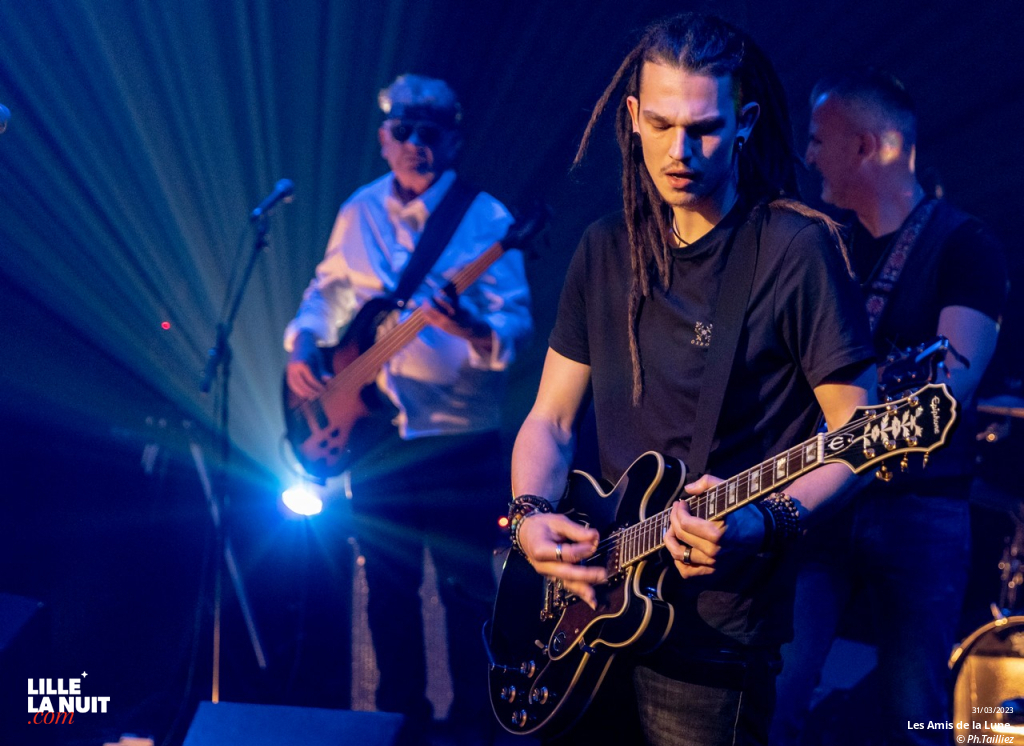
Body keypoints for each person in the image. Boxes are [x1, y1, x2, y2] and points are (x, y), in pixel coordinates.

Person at [508, 14, 876, 746]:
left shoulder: (794, 249)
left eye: (705, 128)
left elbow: (858, 438)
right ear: (633, 118)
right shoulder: (605, 250)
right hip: (591, 607)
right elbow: (549, 420)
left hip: (715, 635)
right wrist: (527, 517)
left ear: (744, 124)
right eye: (664, 124)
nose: (681, 151)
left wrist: (765, 519)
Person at [284, 74, 532, 741]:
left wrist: (473, 332)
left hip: (458, 434)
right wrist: (303, 345)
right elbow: (328, 292)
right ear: (384, 139)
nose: (416, 145)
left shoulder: (489, 219)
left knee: (465, 590)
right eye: (404, 132)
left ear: (452, 138)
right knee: (388, 591)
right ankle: (401, 724)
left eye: (431, 133)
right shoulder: (358, 210)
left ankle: (480, 726)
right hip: (376, 431)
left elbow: (516, 326)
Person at [770, 69, 1008, 746]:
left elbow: (945, 393)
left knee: (917, 713)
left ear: (866, 147)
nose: (807, 155)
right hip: (820, 501)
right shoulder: (822, 247)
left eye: (819, 140)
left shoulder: (967, 247)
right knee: (776, 691)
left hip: (920, 509)